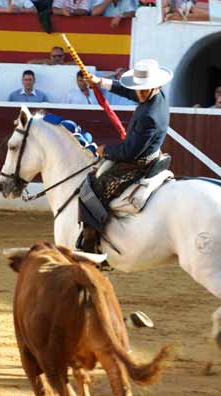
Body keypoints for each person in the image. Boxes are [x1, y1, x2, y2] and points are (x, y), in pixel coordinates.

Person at [77, 59, 172, 253]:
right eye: (139, 88)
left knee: (94, 187)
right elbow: (131, 91)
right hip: (151, 153)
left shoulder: (149, 116)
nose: (140, 93)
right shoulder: (156, 94)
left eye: (144, 89)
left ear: (157, 86)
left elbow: (129, 153)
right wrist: (99, 81)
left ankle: (90, 243)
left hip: (138, 163)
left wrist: (106, 151)